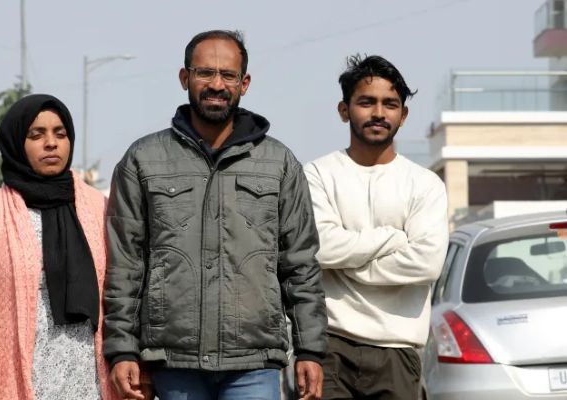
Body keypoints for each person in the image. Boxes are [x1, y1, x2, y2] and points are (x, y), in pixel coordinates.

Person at [104, 30, 327, 400]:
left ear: (245, 83)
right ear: (184, 78)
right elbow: (125, 265)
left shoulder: (279, 163)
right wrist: (123, 349)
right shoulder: (143, 161)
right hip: (173, 362)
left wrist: (310, 350)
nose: (217, 85)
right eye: (205, 73)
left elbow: (300, 265)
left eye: (228, 75)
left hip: (254, 362)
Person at [0, 94, 118, 400]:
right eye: (36, 135)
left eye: (60, 133)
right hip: (22, 386)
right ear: (17, 143)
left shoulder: (100, 209)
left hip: (92, 385)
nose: (51, 143)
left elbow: (123, 296)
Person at [303, 55, 449, 400]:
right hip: (331, 345)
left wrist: (348, 268)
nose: (379, 113)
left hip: (398, 350)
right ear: (344, 110)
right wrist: (391, 238)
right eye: (366, 102)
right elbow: (320, 247)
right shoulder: (317, 175)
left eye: (390, 104)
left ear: (403, 114)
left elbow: (427, 263)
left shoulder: (424, 184)